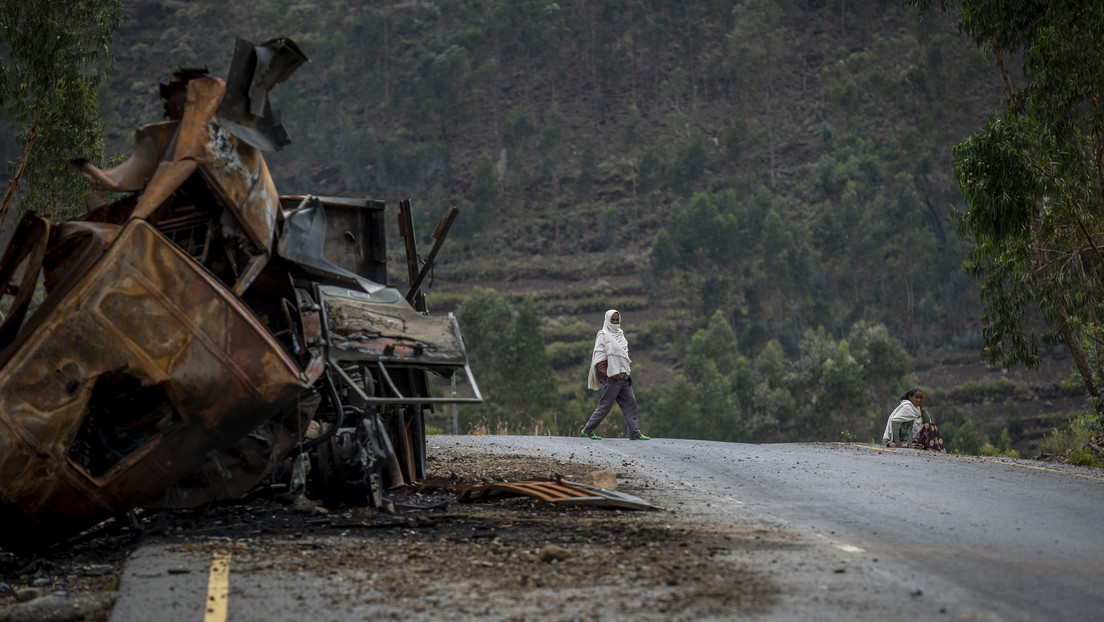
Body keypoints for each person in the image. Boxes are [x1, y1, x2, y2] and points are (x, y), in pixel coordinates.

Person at [580, 309, 651, 440]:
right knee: (605, 406)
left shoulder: (621, 335)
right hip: (612, 379)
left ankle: (634, 433)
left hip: (624, 379)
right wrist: (607, 376)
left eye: (617, 320)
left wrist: (627, 375)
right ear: (607, 320)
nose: (615, 322)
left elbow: (623, 358)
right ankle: (587, 430)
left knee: (631, 404)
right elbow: (599, 358)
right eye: (612, 320)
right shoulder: (603, 335)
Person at [881, 387, 946, 451]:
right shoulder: (907, 407)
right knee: (930, 426)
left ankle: (933, 447)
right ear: (910, 397)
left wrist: (921, 408)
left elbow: (927, 421)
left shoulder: (917, 409)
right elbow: (895, 422)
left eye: (921, 398)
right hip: (904, 437)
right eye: (916, 397)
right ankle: (933, 447)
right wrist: (897, 441)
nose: (919, 400)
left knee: (931, 426)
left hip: (912, 435)